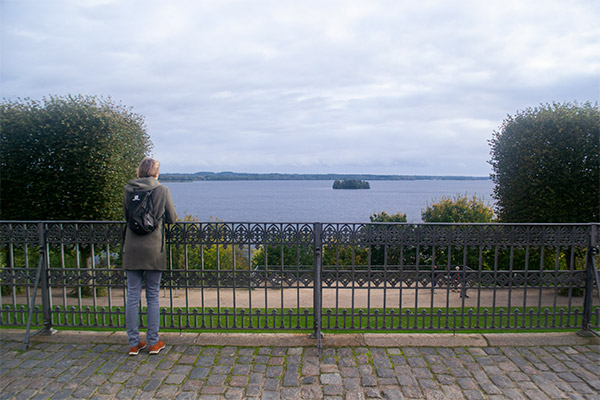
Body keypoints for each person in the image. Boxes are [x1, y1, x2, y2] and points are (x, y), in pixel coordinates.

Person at [123, 158, 177, 355]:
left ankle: (133, 343)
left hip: (132, 247)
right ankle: (153, 342)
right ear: (156, 173)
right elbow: (172, 218)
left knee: (132, 295)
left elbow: (126, 216)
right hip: (153, 248)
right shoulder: (161, 190)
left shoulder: (129, 190)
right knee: (152, 295)